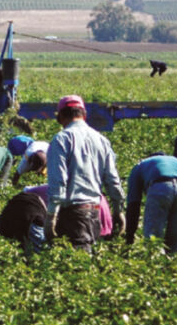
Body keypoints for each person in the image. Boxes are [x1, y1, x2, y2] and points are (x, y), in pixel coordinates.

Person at [46, 95, 125, 251]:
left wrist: (51, 216)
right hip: (95, 213)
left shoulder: (61, 139)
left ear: (60, 117)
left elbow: (58, 180)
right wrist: (118, 210)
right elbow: (112, 179)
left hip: (73, 214)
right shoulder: (101, 139)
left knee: (75, 266)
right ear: (84, 115)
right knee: (88, 262)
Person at [125, 154, 177, 254]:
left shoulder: (140, 165)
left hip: (160, 186)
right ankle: (172, 263)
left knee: (153, 238)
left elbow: (133, 204)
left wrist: (129, 237)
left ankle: (155, 261)